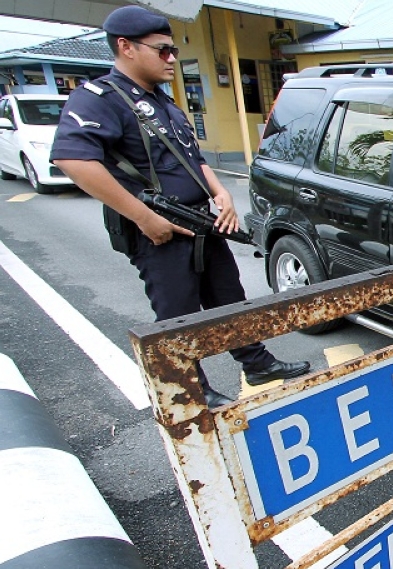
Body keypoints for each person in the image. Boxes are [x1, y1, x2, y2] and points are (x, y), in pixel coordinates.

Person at [51, 5, 309, 408]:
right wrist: (143, 217)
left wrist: (220, 193)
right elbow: (73, 160)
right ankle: (191, 389)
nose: (172, 59)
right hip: (157, 227)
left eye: (173, 50)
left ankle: (256, 363)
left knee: (228, 297)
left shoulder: (164, 103)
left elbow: (192, 160)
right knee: (178, 313)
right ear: (126, 48)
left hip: (199, 220)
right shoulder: (101, 98)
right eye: (163, 50)